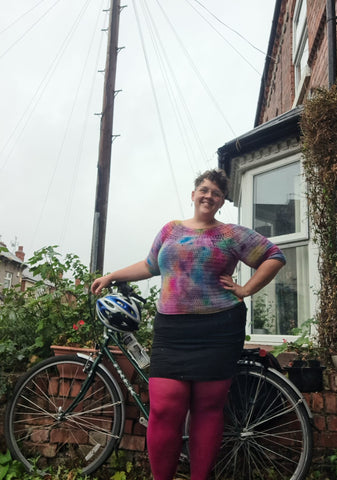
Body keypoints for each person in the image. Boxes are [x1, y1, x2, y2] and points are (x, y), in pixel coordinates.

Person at [91, 168, 285, 480]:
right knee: (165, 409)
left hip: (219, 328)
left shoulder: (231, 234)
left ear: (221, 201)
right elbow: (150, 265)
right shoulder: (170, 230)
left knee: (208, 410)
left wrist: (247, 290)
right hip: (172, 330)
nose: (209, 196)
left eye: (217, 193)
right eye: (204, 190)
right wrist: (112, 275)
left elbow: (274, 255)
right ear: (194, 194)